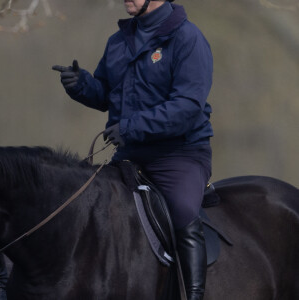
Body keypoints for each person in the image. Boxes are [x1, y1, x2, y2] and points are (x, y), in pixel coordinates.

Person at [53, 1, 213, 299]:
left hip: (179, 153)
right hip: (130, 153)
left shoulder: (187, 38)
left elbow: (187, 107)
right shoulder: (118, 41)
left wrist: (130, 128)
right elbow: (106, 94)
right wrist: (81, 85)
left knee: (182, 211)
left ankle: (193, 295)